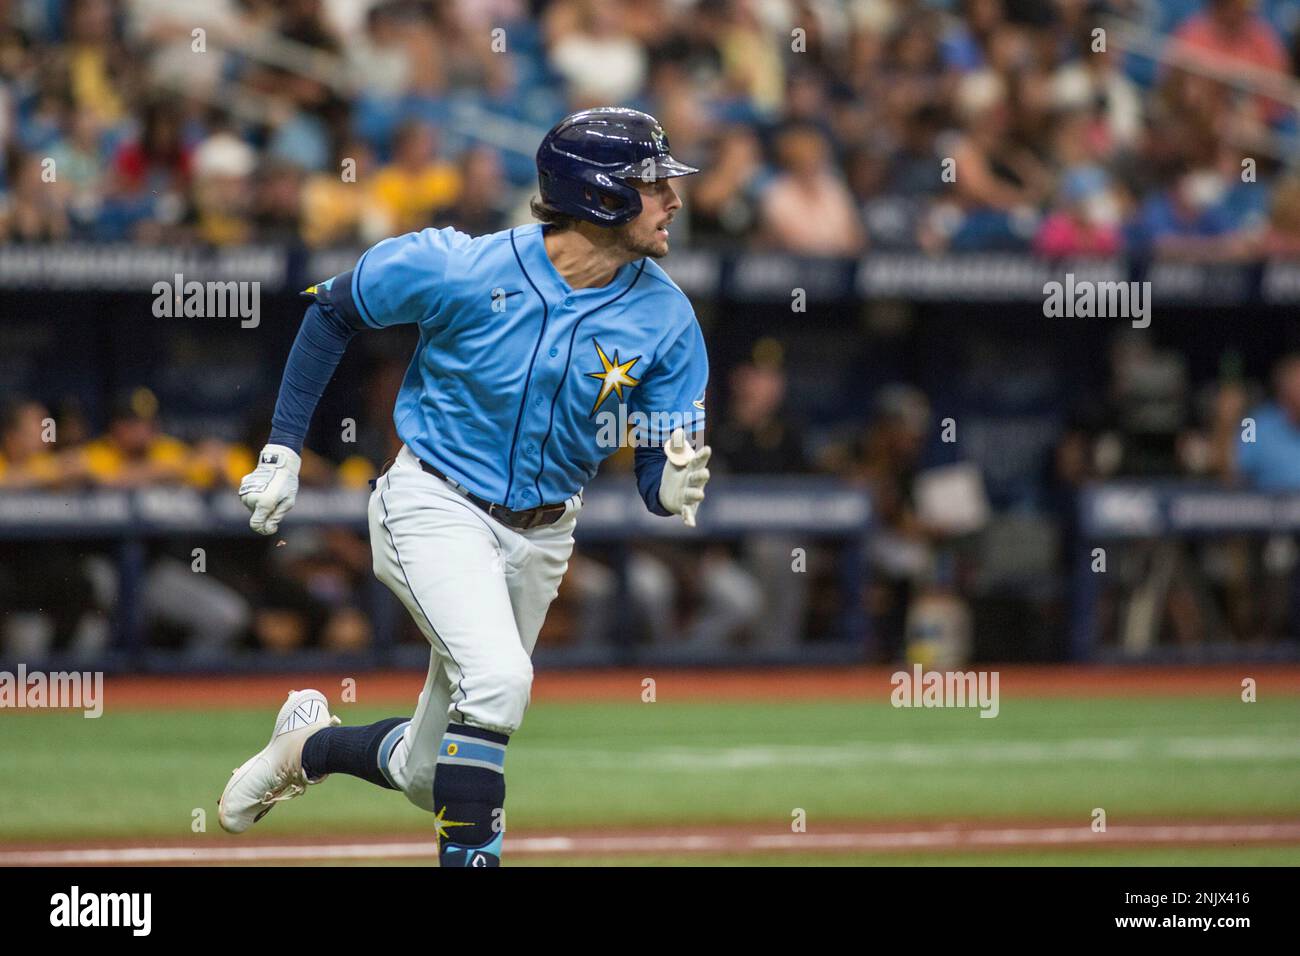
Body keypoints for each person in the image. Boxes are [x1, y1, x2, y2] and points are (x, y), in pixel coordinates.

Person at [218, 108, 713, 867]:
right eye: (652, 184)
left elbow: (655, 463)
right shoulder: (461, 264)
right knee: (500, 678)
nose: (673, 200)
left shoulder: (669, 317)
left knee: (427, 775)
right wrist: (283, 449)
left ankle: (306, 748)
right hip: (433, 502)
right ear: (600, 196)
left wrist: (669, 482)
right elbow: (332, 310)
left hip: (545, 531)